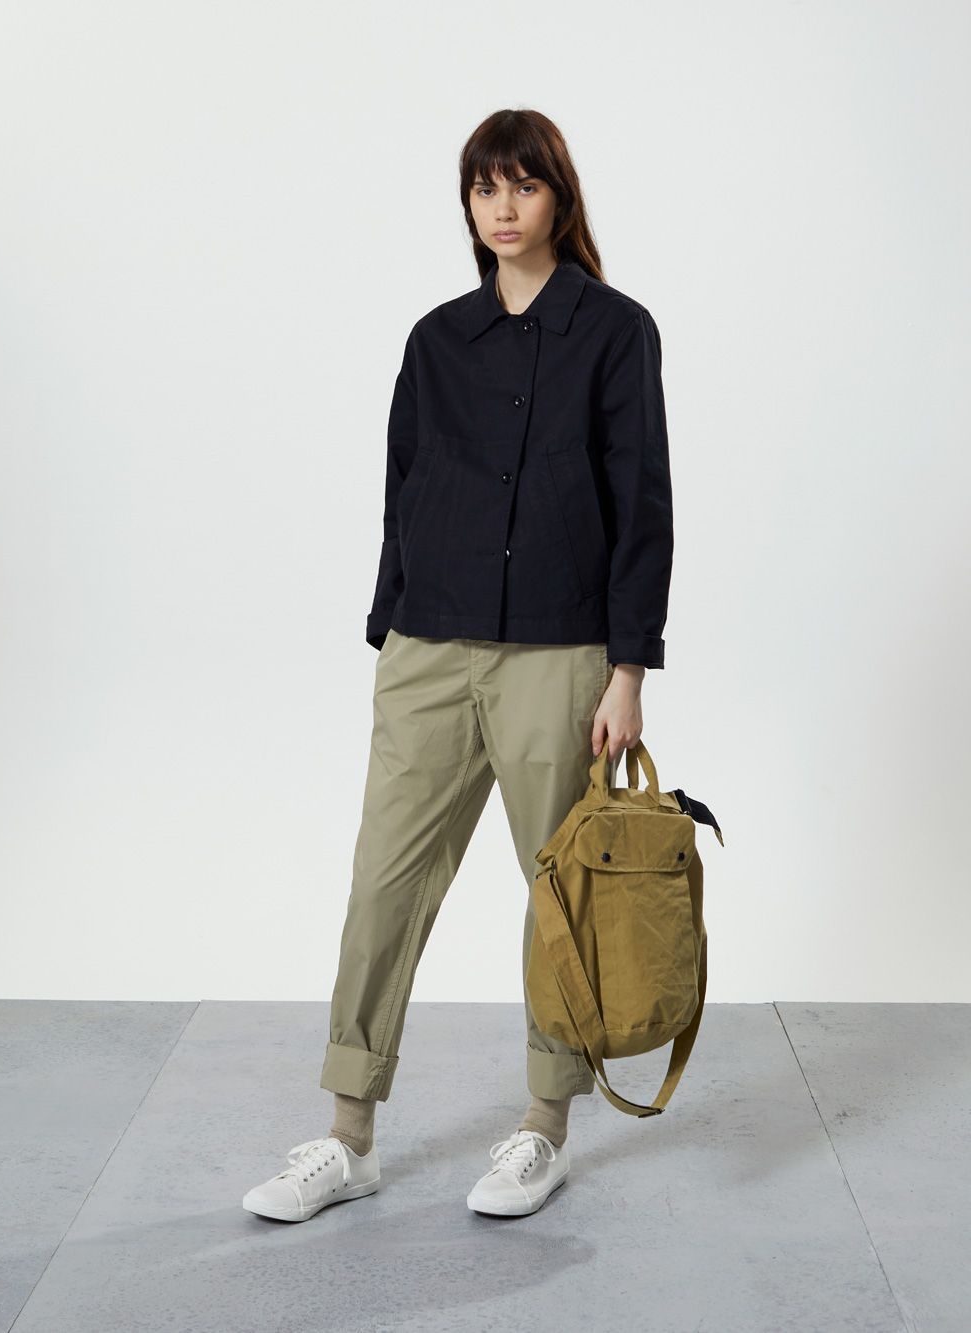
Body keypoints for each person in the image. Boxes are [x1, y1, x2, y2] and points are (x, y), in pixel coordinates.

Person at [242, 107, 673, 1223]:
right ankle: (349, 1135)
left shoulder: (615, 330)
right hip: (430, 646)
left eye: (524, 184)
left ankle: (544, 1125)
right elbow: (404, 483)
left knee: (557, 895)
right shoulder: (438, 339)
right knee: (383, 882)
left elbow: (642, 501)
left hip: (559, 653)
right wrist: (392, 630)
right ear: (468, 204)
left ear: (559, 197)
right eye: (486, 186)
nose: (504, 205)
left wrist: (629, 666)